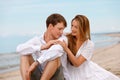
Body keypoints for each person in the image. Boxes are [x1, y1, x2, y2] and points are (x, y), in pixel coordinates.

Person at [56, 15, 120, 80]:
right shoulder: (67, 37)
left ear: (83, 28)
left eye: (76, 27)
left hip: (85, 71)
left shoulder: (89, 44)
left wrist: (66, 49)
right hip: (71, 72)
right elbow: (55, 35)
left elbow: (77, 63)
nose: (72, 29)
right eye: (72, 26)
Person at [16, 13, 67, 80]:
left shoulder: (63, 39)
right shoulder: (37, 40)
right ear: (50, 26)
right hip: (40, 75)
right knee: (24, 56)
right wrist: (41, 47)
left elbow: (56, 51)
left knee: (54, 58)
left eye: (63, 29)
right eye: (59, 29)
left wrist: (37, 62)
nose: (61, 32)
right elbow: (19, 49)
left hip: (56, 76)